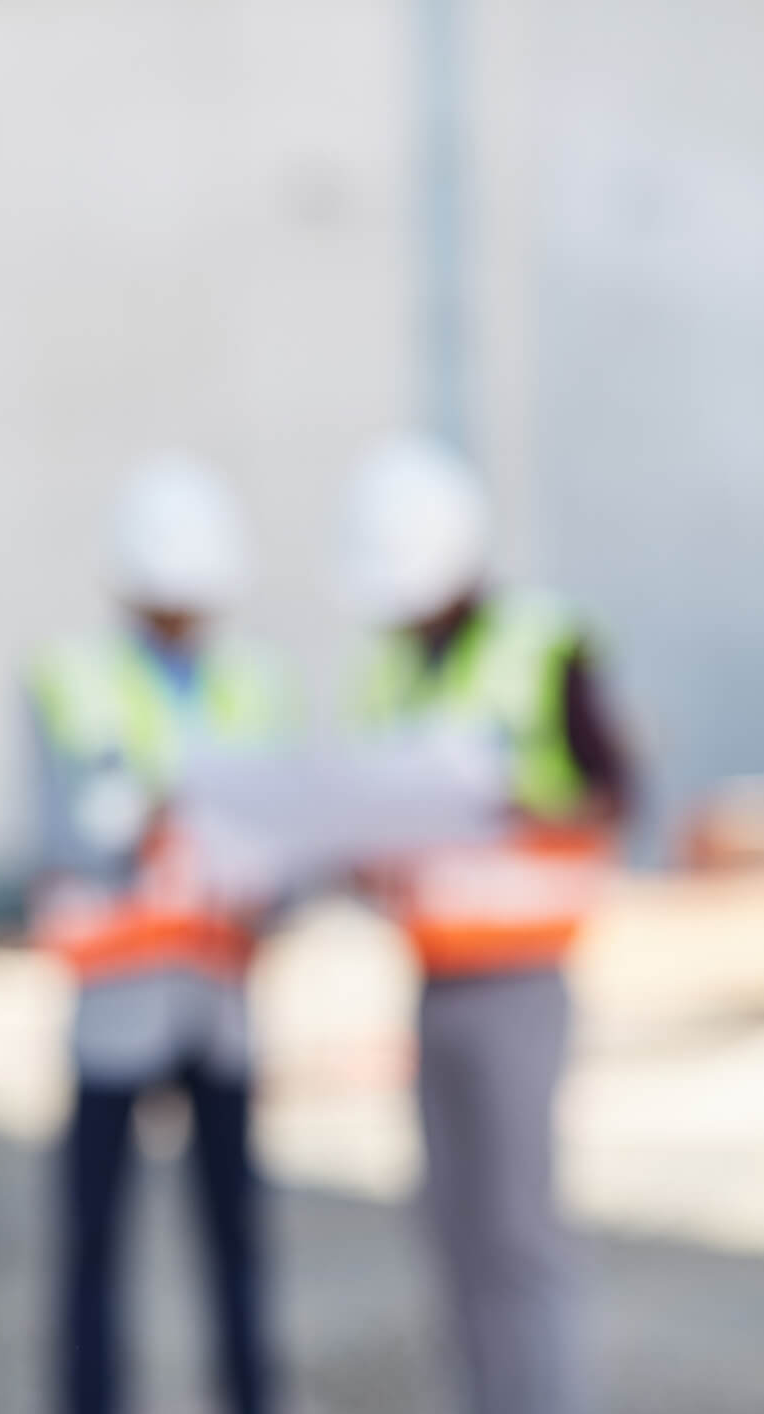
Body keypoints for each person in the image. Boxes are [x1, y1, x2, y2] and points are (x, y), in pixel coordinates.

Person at [341, 435, 631, 1414]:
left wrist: (504, 805)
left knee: (517, 1231)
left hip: (521, 982)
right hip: (433, 979)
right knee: (452, 1229)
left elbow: (612, 797)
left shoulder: (549, 643)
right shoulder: (389, 667)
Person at [25, 454, 281, 1414]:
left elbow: (282, 838)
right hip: (115, 1008)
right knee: (93, 1244)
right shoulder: (69, 679)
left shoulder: (258, 684)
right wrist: (154, 825)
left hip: (218, 1006)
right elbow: (61, 838)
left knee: (235, 1239)